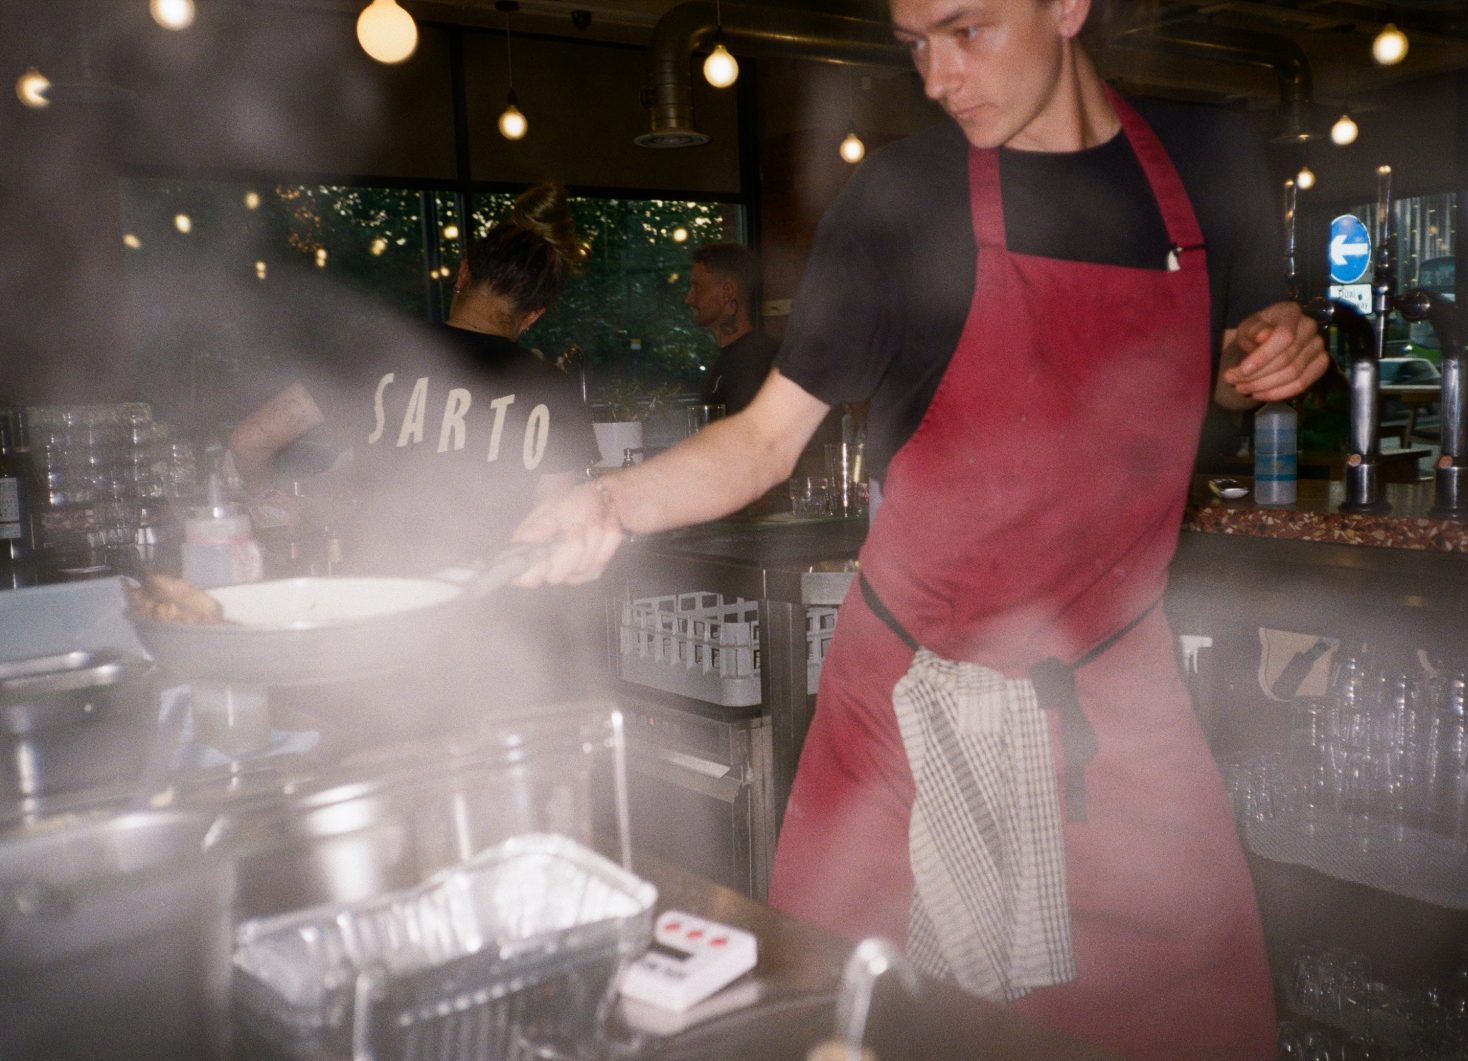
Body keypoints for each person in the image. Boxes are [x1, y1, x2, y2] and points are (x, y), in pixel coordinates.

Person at [510, 2, 1327, 1058]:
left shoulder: (1210, 161)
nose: (937, 77)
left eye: (966, 31)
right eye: (913, 44)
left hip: (1116, 713)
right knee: (862, 1023)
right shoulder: (904, 197)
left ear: (1067, 5)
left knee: (1189, 1020)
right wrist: (608, 503)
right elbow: (763, 441)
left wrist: (1271, 354)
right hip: (905, 713)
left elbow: (1243, 350)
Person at [228, 181, 600, 722]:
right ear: (534, 315)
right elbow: (551, 531)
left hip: (378, 627)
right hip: (497, 641)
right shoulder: (554, 393)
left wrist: (265, 501)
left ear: (464, 272)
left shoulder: (378, 354)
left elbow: (249, 441)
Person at [684, 242, 778, 415]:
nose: (688, 299)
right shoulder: (730, 358)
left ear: (727, 292)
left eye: (696, 287)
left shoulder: (758, 361)